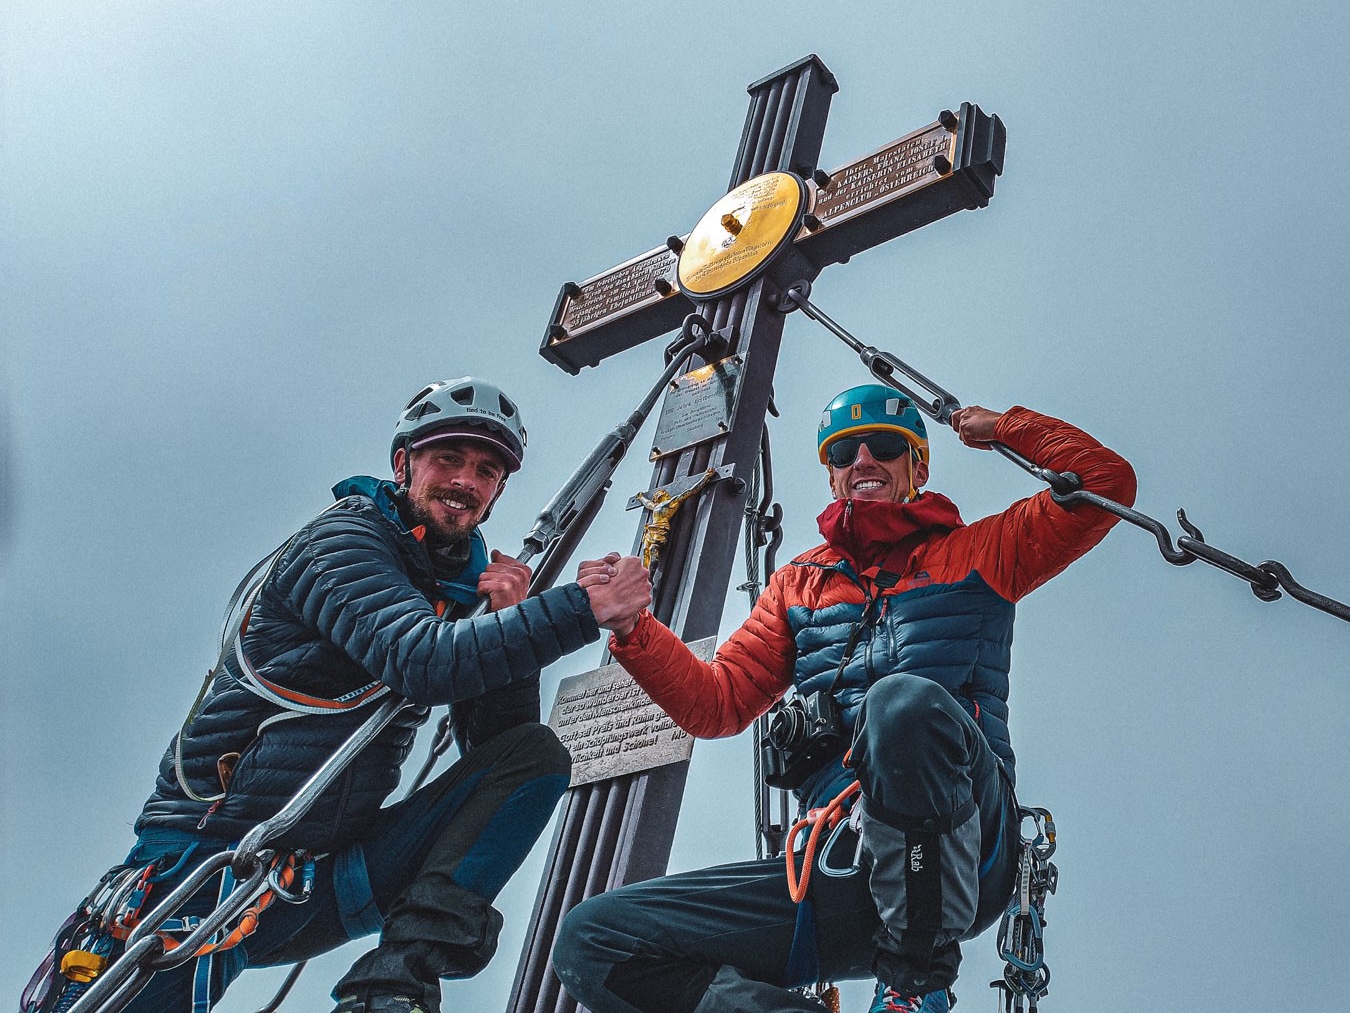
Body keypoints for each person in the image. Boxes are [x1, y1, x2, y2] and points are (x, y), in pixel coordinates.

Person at [26, 377, 651, 1013]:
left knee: (531, 758)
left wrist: (507, 621)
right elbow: (421, 663)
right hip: (210, 864)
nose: (466, 480)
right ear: (404, 464)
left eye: (487, 470)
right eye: (449, 459)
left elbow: (495, 749)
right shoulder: (342, 546)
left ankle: (391, 989)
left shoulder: (456, 591)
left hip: (320, 878)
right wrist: (578, 609)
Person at [553, 385, 1136, 1013]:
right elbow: (715, 703)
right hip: (837, 858)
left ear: (919, 465)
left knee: (901, 705)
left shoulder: (980, 553)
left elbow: (1106, 483)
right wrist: (634, 632)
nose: (862, 461)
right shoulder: (798, 586)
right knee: (594, 939)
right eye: (842, 454)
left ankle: (915, 986)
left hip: (958, 844)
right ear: (831, 477)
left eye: (885, 447)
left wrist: (1004, 427)